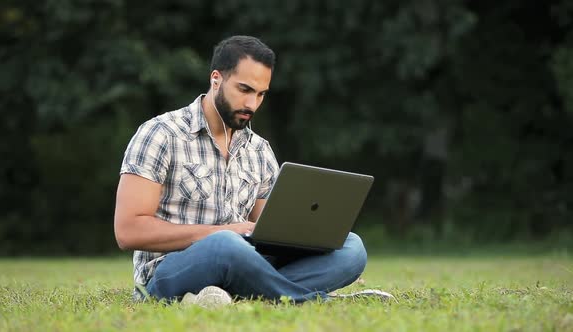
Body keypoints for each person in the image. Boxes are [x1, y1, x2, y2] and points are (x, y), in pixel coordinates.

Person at [114, 35, 392, 306]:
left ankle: (236, 299)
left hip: (244, 261)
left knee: (351, 248)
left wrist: (305, 231)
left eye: (261, 94)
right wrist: (223, 232)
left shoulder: (258, 149)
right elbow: (128, 231)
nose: (252, 104)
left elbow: (268, 230)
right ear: (216, 79)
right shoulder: (160, 134)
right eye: (244, 90)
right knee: (225, 245)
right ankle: (315, 299)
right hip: (169, 271)